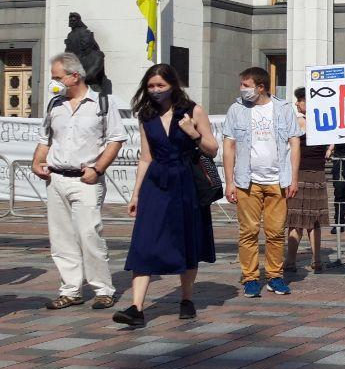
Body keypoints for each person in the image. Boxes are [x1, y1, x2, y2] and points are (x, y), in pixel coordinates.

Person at [113, 64, 218, 327]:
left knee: (187, 239)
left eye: (161, 85)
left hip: (186, 181)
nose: (155, 90)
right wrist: (136, 194)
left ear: (173, 85)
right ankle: (136, 308)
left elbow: (212, 148)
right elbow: (145, 157)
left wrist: (193, 133)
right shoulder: (146, 116)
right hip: (156, 182)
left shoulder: (193, 110)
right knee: (144, 241)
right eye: (151, 86)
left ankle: (186, 299)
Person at [33, 52, 128, 310]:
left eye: (57, 77)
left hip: (86, 180)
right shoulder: (55, 104)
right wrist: (37, 161)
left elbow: (116, 139)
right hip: (56, 178)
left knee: (89, 234)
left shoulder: (102, 103)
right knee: (61, 238)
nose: (54, 82)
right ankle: (70, 290)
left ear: (74, 76)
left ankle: (103, 289)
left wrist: (97, 169)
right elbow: (45, 138)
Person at [222, 67, 302, 298]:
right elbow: (229, 145)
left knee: (275, 232)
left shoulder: (283, 108)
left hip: (278, 179)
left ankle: (275, 276)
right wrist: (229, 182)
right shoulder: (236, 109)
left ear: (260, 87)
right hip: (247, 181)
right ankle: (250, 278)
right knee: (248, 231)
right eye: (241, 85)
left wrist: (293, 178)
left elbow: (294, 143)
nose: (242, 89)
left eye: (246, 85)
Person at [284, 87, 329, 275]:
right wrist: (330, 149)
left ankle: (292, 261)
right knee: (310, 220)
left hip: (302, 173)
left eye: (300, 100)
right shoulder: (324, 122)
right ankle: (314, 260)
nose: (297, 103)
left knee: (297, 220)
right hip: (311, 173)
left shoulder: (300, 122)